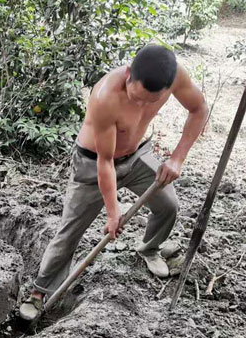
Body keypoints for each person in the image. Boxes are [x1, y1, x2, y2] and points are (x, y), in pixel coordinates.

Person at [19, 44, 208, 322]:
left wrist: (177, 158)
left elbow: (199, 109)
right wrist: (112, 211)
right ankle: (40, 292)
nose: (141, 105)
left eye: (150, 101)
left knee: (168, 205)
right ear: (129, 74)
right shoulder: (106, 95)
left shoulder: (176, 76)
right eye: (137, 97)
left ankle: (149, 248)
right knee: (71, 229)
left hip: (138, 154)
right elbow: (104, 162)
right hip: (93, 161)